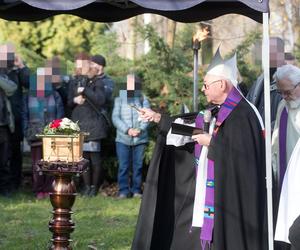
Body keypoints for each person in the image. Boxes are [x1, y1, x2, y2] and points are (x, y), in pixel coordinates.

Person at [132, 48, 267, 250]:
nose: (203, 89)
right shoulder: (216, 111)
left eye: (205, 85)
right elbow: (192, 130)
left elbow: (243, 156)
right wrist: (158, 118)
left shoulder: (243, 114)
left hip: (233, 198)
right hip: (214, 193)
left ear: (221, 84)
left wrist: (210, 143)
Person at [68, 53, 108, 197]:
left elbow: (100, 99)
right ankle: (86, 187)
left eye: (83, 66)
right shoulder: (74, 81)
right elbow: (68, 102)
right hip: (79, 123)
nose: (81, 69)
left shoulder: (98, 82)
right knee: (83, 158)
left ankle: (94, 187)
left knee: (95, 158)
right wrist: (75, 100)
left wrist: (85, 90)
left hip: (94, 124)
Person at [23, 66, 64, 199]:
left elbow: (60, 115)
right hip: (34, 135)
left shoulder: (55, 95)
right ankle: (38, 189)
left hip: (51, 135)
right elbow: (24, 115)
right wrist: (26, 131)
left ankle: (48, 189)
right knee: (37, 164)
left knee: (51, 163)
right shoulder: (28, 96)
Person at [272, 65, 300, 249]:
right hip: (284, 176)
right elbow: (276, 138)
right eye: (281, 92)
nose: (285, 96)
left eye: (288, 92)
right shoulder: (283, 106)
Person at [112, 74, 150, 199]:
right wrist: (127, 130)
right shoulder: (119, 99)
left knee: (138, 166)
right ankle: (123, 191)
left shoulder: (143, 99)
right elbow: (115, 118)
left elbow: (147, 117)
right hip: (122, 139)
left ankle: (136, 191)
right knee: (123, 166)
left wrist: (139, 129)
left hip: (140, 139)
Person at [0, 43, 30, 192]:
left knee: (15, 152)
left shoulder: (17, 70)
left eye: (9, 54)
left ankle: (14, 184)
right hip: (3, 118)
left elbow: (30, 83)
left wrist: (22, 67)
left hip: (14, 118)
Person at [0, 68, 17, 197]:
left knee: (4, 159)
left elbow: (12, 88)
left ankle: (5, 190)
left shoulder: (2, 77)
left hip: (3, 125)